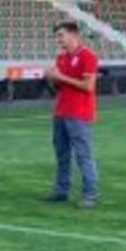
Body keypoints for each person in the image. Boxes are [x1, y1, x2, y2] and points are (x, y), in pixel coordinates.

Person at [45, 22, 99, 208]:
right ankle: (61, 190)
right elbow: (59, 88)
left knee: (83, 154)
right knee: (62, 154)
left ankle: (90, 194)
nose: (58, 40)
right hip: (61, 111)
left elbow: (88, 86)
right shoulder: (61, 58)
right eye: (57, 36)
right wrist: (52, 79)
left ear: (74, 35)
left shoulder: (88, 56)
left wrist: (60, 77)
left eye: (61, 35)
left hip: (79, 113)